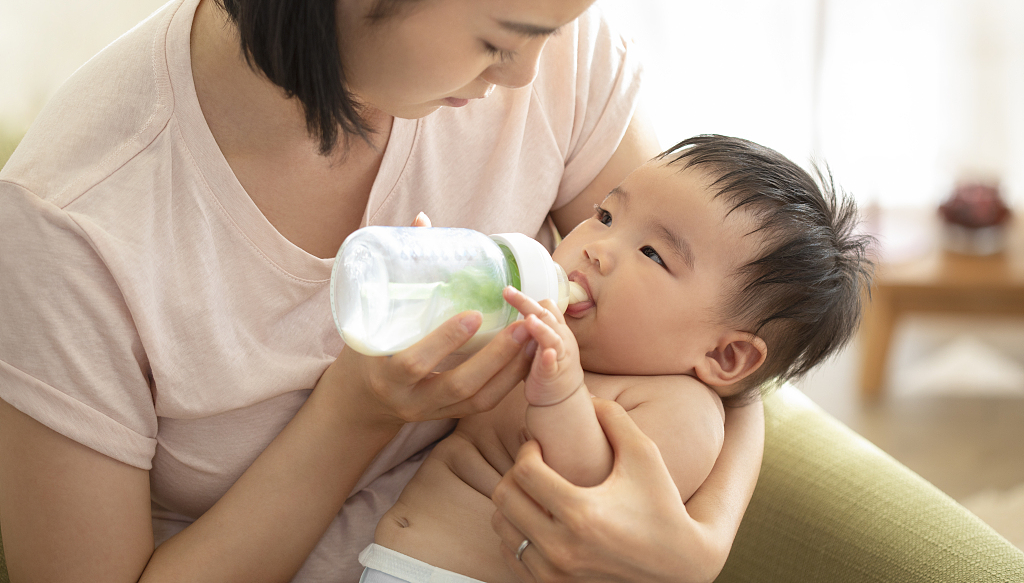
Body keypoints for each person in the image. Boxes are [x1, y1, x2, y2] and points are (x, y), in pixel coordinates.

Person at [0, 0, 764, 582]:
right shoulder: (74, 222)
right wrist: (355, 412)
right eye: (501, 39)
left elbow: (737, 308)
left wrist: (704, 538)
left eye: (550, 33)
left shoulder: (558, 52)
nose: (526, 73)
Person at [358, 135, 874, 583]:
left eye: (653, 254)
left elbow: (595, 494)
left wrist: (559, 391)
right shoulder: (550, 337)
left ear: (726, 354)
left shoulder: (683, 409)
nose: (596, 247)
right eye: (605, 215)